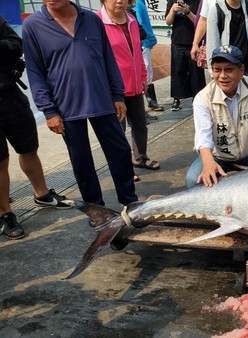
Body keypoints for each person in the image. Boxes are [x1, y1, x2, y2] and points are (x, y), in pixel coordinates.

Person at [22, 0, 138, 207]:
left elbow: (108, 59)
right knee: (81, 159)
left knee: (119, 150)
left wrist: (117, 95)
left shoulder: (91, 19)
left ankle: (130, 201)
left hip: (101, 97)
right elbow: (34, 71)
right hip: (65, 103)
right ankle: (95, 207)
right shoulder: (33, 25)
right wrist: (48, 111)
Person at [0, 15, 72, 240]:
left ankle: (41, 194)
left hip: (10, 94)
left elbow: (16, 44)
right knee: (0, 160)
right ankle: (5, 214)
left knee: (28, 147)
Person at [185, 46, 248, 188]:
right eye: (217, 70)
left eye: (229, 69)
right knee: (194, 180)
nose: (222, 76)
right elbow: (203, 136)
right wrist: (208, 162)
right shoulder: (202, 98)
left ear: (241, 70)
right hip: (219, 156)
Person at [98, 0, 160, 181]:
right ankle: (123, 167)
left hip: (134, 83)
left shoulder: (131, 19)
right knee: (118, 129)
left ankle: (141, 157)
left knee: (140, 123)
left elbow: (138, 51)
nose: (119, 1)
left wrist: (142, 76)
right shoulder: (97, 22)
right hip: (113, 88)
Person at [166, 0, 206, 111]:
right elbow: (168, 22)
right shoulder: (172, 1)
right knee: (177, 72)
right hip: (177, 41)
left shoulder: (198, 2)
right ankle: (176, 99)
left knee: (196, 73)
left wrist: (188, 12)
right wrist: (173, 11)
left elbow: (199, 22)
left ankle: (198, 98)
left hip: (193, 42)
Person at [133, 0, 164, 112]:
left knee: (147, 71)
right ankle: (149, 102)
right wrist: (149, 38)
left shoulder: (140, 3)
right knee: (145, 72)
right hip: (143, 42)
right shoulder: (137, 3)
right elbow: (139, 23)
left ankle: (151, 102)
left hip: (145, 42)